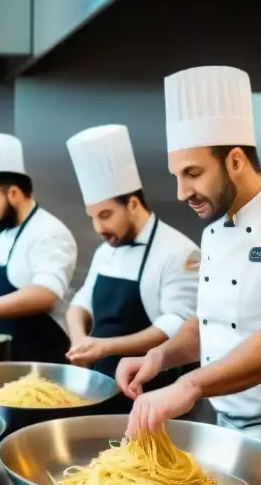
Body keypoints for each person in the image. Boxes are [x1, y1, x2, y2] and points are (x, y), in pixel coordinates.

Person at [119, 66, 261, 439]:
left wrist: (189, 386)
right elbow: (211, 321)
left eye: (193, 173)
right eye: (176, 176)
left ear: (236, 161)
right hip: (230, 431)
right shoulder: (214, 232)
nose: (181, 192)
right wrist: (159, 358)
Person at [63, 124, 200, 389]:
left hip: (149, 388)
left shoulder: (182, 252)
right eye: (92, 217)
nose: (98, 228)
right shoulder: (107, 250)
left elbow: (176, 324)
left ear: (133, 204)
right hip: (99, 383)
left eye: (105, 215)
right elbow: (81, 301)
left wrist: (106, 347)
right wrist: (79, 340)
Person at [0, 133, 78, 364]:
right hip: (7, 355)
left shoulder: (49, 231)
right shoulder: (4, 233)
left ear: (13, 193)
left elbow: (47, 293)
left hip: (42, 356)